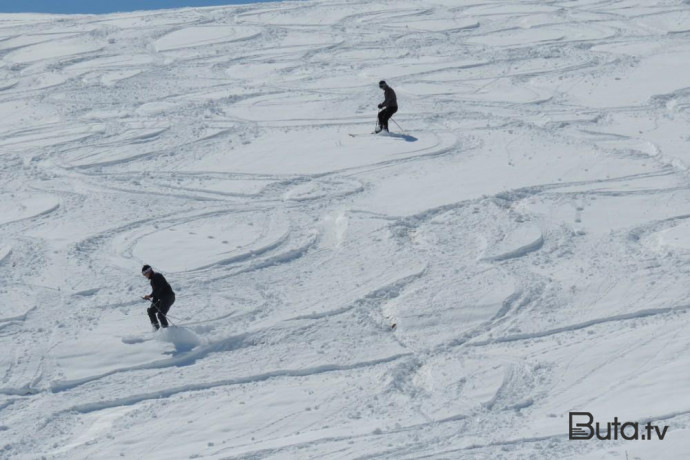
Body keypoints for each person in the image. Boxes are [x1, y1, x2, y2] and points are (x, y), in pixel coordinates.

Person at [141, 264, 175, 330]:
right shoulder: (152, 281)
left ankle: (166, 331)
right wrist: (152, 305)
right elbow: (156, 295)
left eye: (145, 273)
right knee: (150, 311)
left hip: (168, 297)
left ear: (149, 271)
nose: (145, 276)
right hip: (163, 299)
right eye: (143, 274)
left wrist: (150, 296)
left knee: (160, 315)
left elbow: (158, 289)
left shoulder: (157, 276)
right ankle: (156, 329)